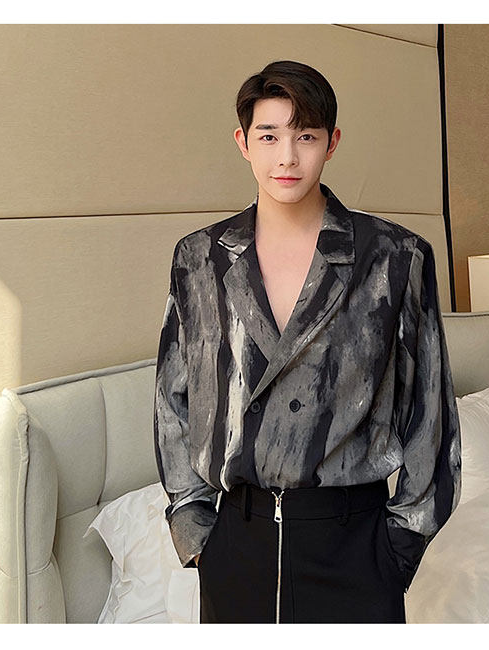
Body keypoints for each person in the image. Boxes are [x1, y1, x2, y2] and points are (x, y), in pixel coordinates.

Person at [153, 60, 461, 624]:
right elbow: (174, 399)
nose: (288, 158)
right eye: (269, 136)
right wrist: (196, 530)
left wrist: (400, 545)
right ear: (243, 142)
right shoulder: (199, 259)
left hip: (355, 546)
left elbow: (430, 410)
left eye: (306, 137)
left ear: (332, 142)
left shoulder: (394, 257)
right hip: (235, 547)